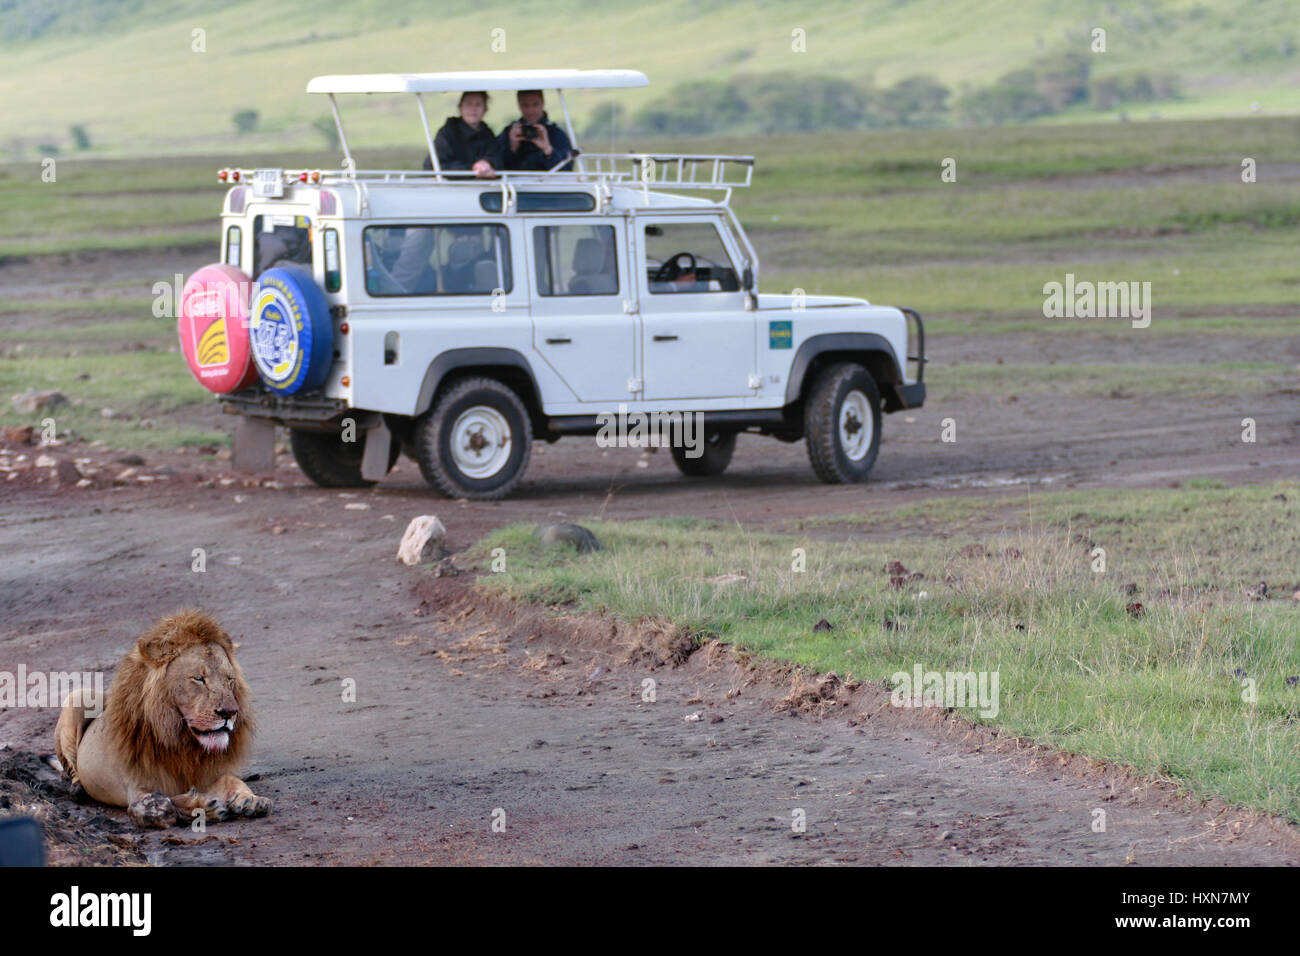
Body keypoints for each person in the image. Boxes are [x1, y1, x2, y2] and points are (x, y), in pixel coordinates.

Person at [423, 91, 502, 177]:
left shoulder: (488, 134)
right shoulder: (447, 133)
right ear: (460, 108)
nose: (473, 109)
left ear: (485, 110)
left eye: (478, 104)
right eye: (469, 104)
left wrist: (488, 163)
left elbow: (497, 158)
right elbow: (433, 166)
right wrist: (473, 169)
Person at [498, 90, 573, 171]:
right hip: (514, 182)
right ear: (519, 106)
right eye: (525, 105)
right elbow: (495, 167)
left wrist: (548, 150)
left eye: (535, 104)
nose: (530, 111)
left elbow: (567, 170)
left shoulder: (556, 134)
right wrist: (512, 148)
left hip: (547, 182)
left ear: (543, 104)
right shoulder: (509, 133)